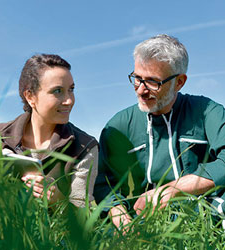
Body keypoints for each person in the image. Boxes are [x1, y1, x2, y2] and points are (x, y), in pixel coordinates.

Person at [93, 34, 225, 230]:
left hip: (204, 212)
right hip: (143, 219)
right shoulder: (119, 125)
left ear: (179, 82)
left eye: (153, 82)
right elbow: (103, 183)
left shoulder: (207, 111)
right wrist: (122, 220)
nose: (140, 90)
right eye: (137, 79)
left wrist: (173, 189)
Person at [0, 54, 98, 207]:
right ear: (30, 96)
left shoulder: (85, 146)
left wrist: (58, 201)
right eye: (57, 91)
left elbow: (84, 219)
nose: (69, 100)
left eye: (71, 89)